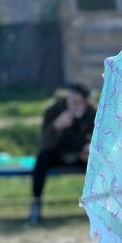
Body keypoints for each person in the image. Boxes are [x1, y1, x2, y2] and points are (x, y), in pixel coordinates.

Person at [29, 83, 96, 224]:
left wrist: (89, 147)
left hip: (80, 155)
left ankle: (98, 206)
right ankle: (36, 204)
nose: (77, 105)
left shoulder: (91, 112)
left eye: (81, 102)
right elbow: (43, 143)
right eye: (74, 101)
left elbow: (99, 138)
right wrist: (57, 126)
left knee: (98, 164)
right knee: (42, 159)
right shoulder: (53, 110)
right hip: (57, 153)